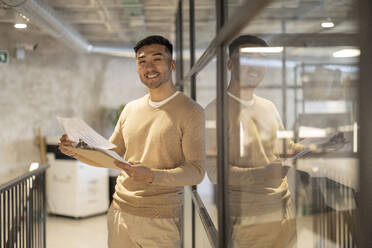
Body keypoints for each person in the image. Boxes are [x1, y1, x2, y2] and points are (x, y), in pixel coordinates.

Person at [59, 35, 205, 248]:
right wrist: (75, 151)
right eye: (142, 61)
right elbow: (109, 156)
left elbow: (197, 171)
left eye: (157, 59)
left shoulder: (191, 111)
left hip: (161, 219)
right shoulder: (130, 109)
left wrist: (153, 175)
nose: (149, 67)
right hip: (120, 211)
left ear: (172, 64)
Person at [205, 35, 313, 248]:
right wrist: (263, 174)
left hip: (283, 208)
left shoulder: (268, 107)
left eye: (261, 59)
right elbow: (216, 172)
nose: (256, 66)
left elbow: (285, 147)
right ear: (229, 64)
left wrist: (316, 146)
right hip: (248, 217)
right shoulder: (214, 112)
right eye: (248, 59)